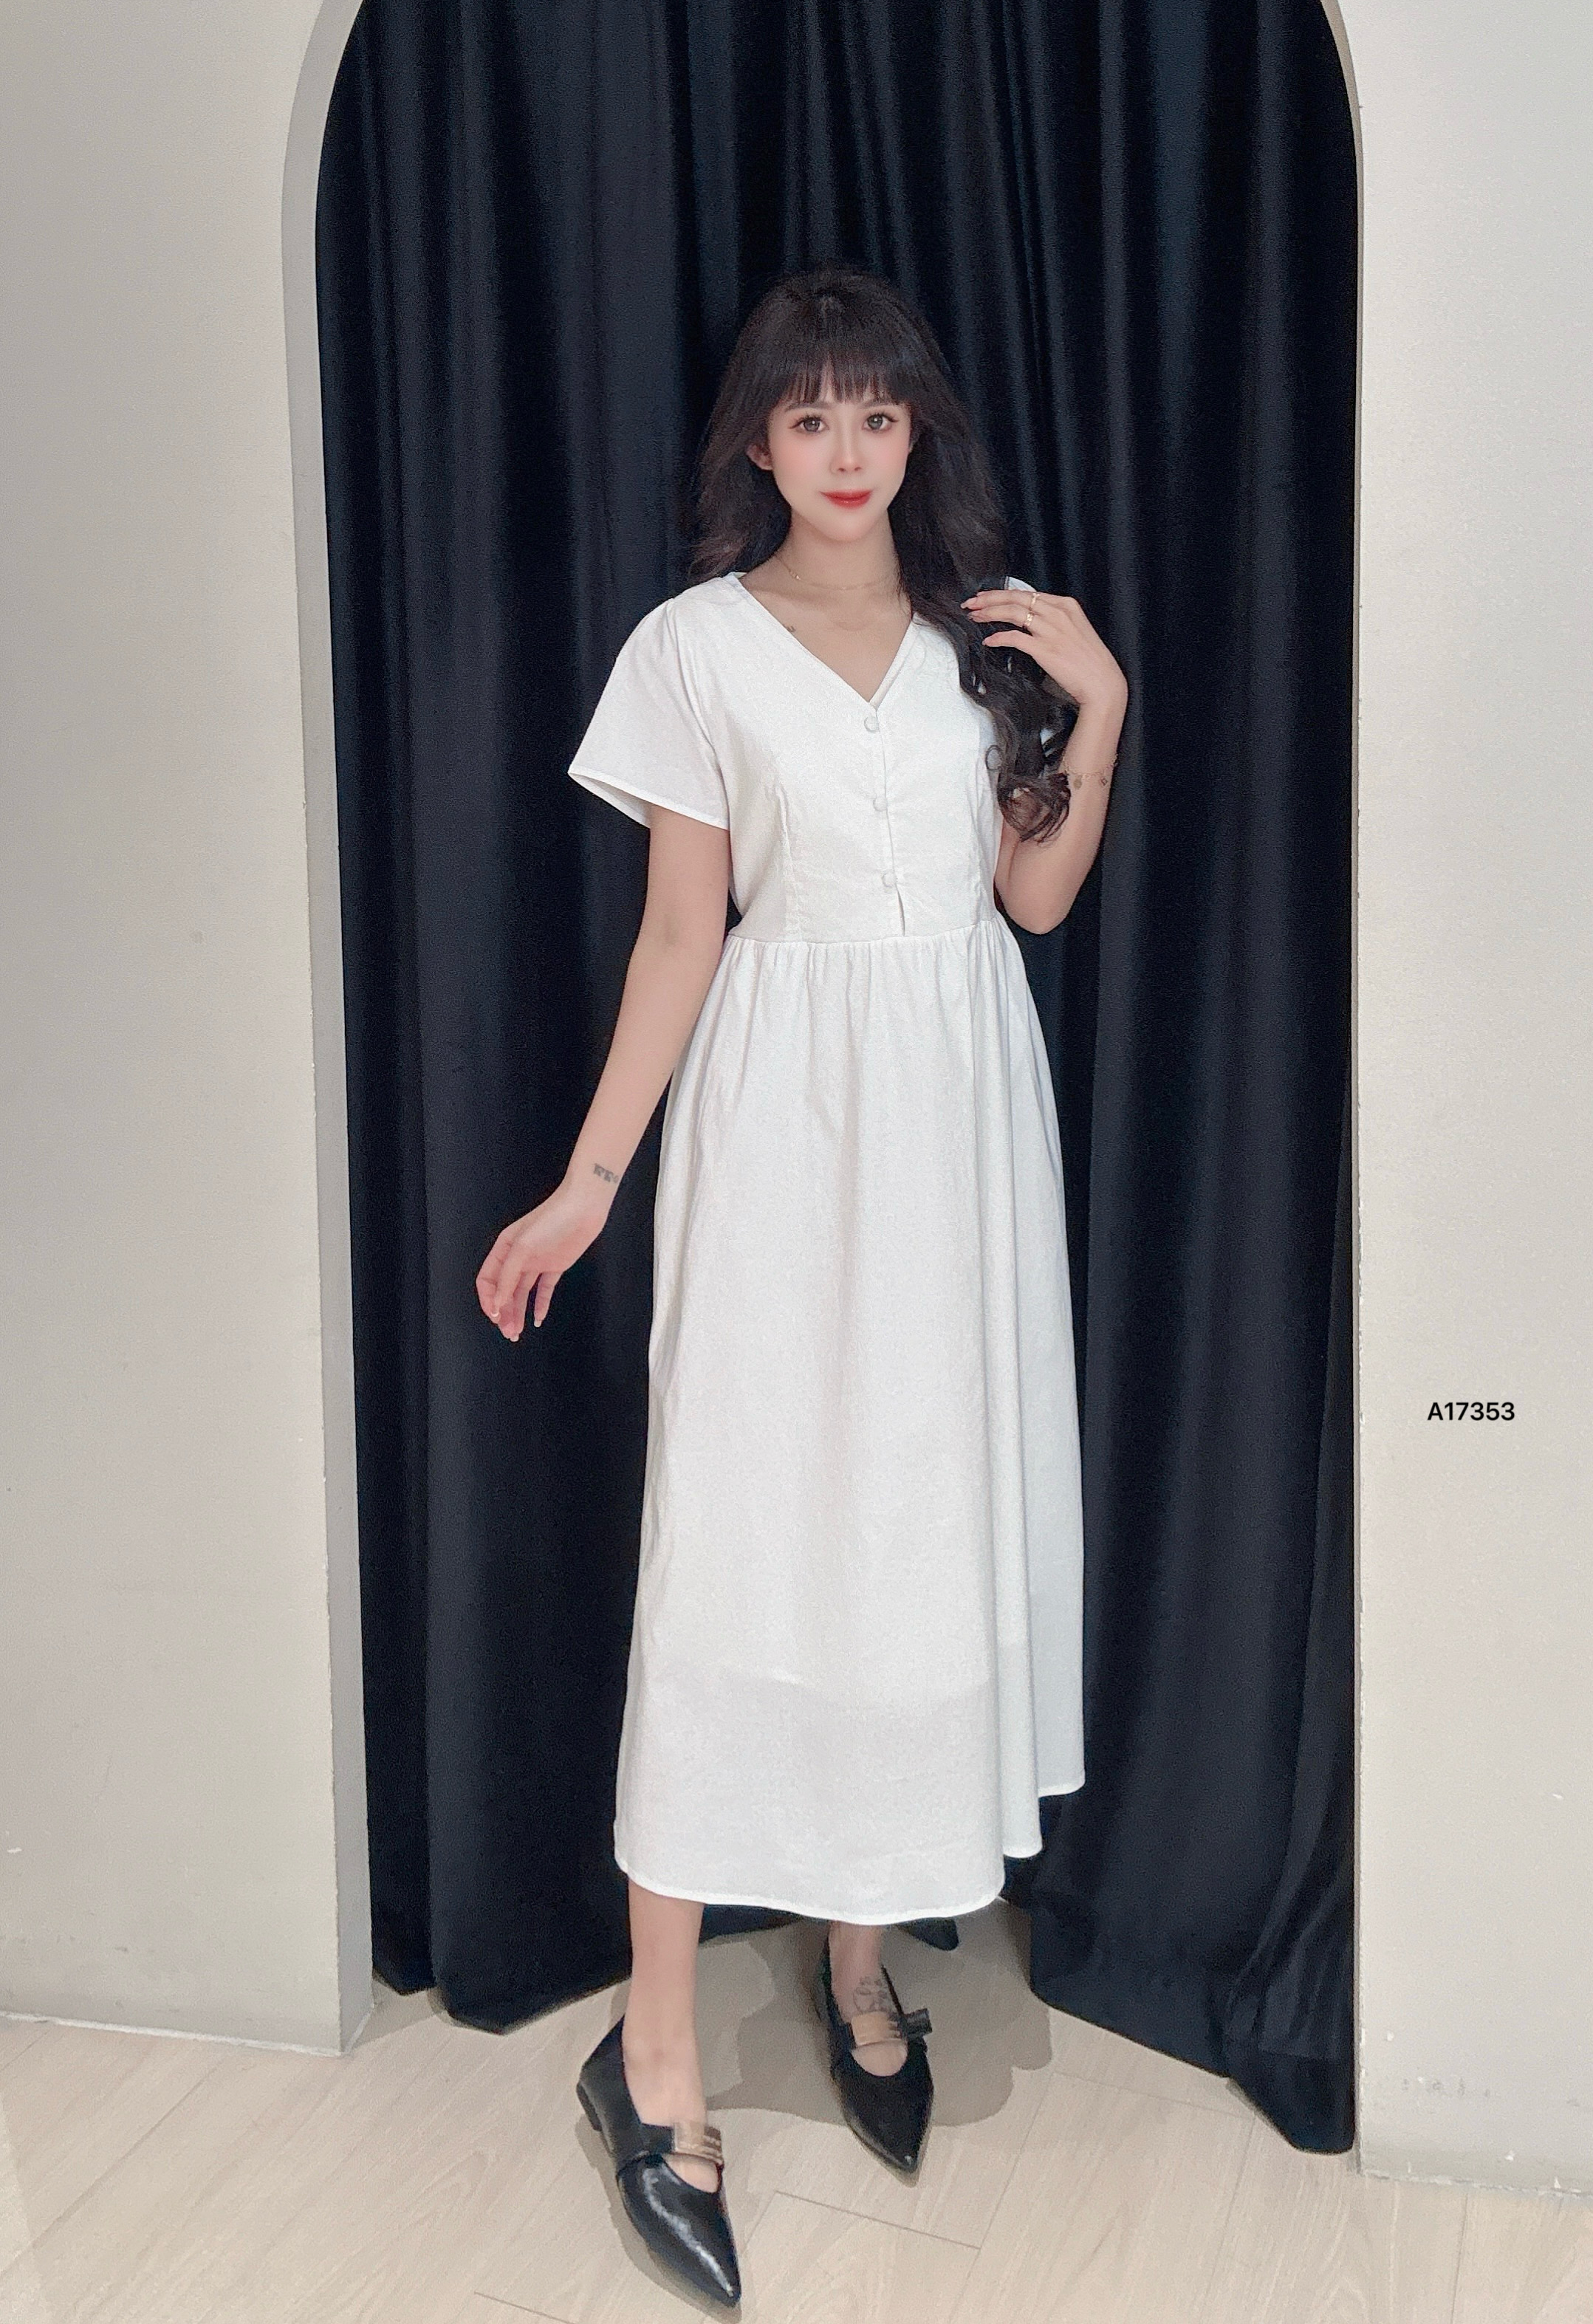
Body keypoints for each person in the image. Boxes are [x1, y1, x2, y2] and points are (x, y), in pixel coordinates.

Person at [475, 266, 1128, 2306]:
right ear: (757, 441)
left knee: (918, 1526)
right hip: (782, 1123)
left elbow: (1034, 899)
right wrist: (590, 1181)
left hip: (959, 1125)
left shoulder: (978, 645)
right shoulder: (694, 647)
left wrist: (1100, 713)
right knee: (748, 1540)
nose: (848, 451)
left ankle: (858, 1958)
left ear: (917, 436)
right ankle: (655, 2053)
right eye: (811, 415)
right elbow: (683, 932)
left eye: (879, 415)